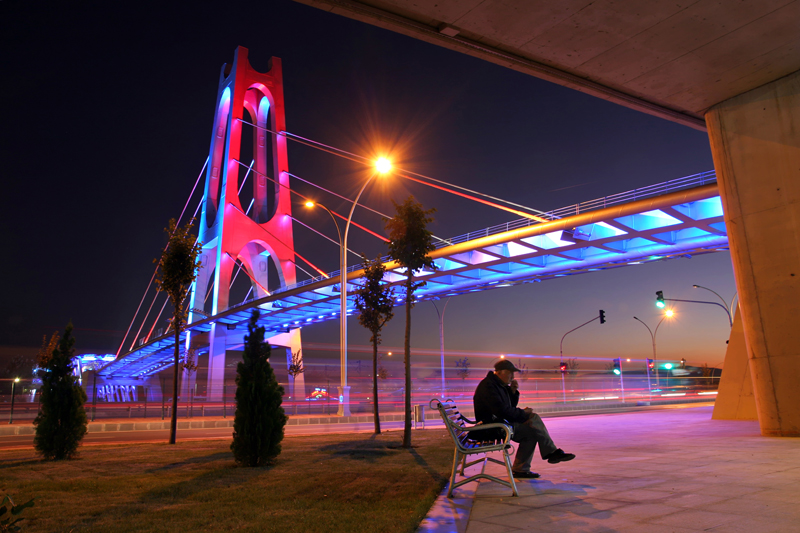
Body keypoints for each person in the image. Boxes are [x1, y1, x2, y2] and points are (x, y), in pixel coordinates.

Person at [473, 359, 575, 479]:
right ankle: (550, 453)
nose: (513, 377)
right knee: (533, 421)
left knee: (532, 431)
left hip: (498, 424)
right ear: (500, 372)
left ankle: (523, 468)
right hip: (492, 428)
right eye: (510, 373)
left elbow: (508, 407)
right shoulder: (489, 386)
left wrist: (513, 392)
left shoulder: (497, 385)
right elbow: (503, 411)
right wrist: (523, 412)